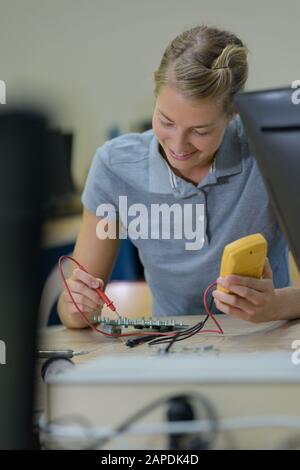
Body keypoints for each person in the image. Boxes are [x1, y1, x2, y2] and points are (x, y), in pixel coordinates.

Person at [57, 25, 300, 329]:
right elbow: (75, 313)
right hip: (172, 345)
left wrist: (277, 305)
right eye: (166, 121)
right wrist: (77, 306)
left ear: (234, 114)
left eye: (200, 130)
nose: (178, 145)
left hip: (268, 338)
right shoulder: (114, 166)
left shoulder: (272, 151)